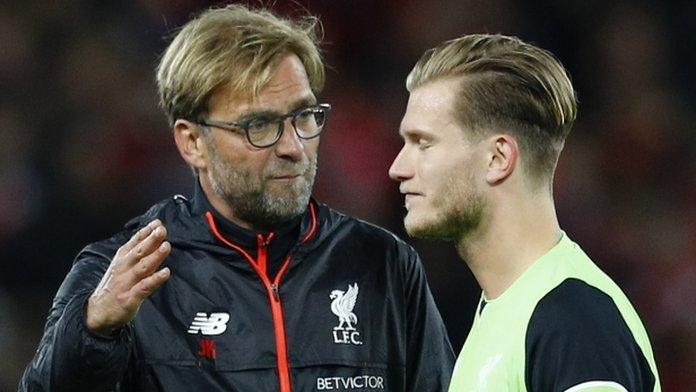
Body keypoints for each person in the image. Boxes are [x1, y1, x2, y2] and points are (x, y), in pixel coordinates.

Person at [20, 4, 454, 391]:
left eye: (304, 116)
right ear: (192, 143)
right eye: (258, 126)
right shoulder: (124, 278)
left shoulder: (384, 265)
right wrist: (94, 331)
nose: (293, 146)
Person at [389, 34, 661, 392]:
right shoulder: (506, 311)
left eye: (423, 143)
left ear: (498, 158)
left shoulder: (572, 320)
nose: (398, 167)